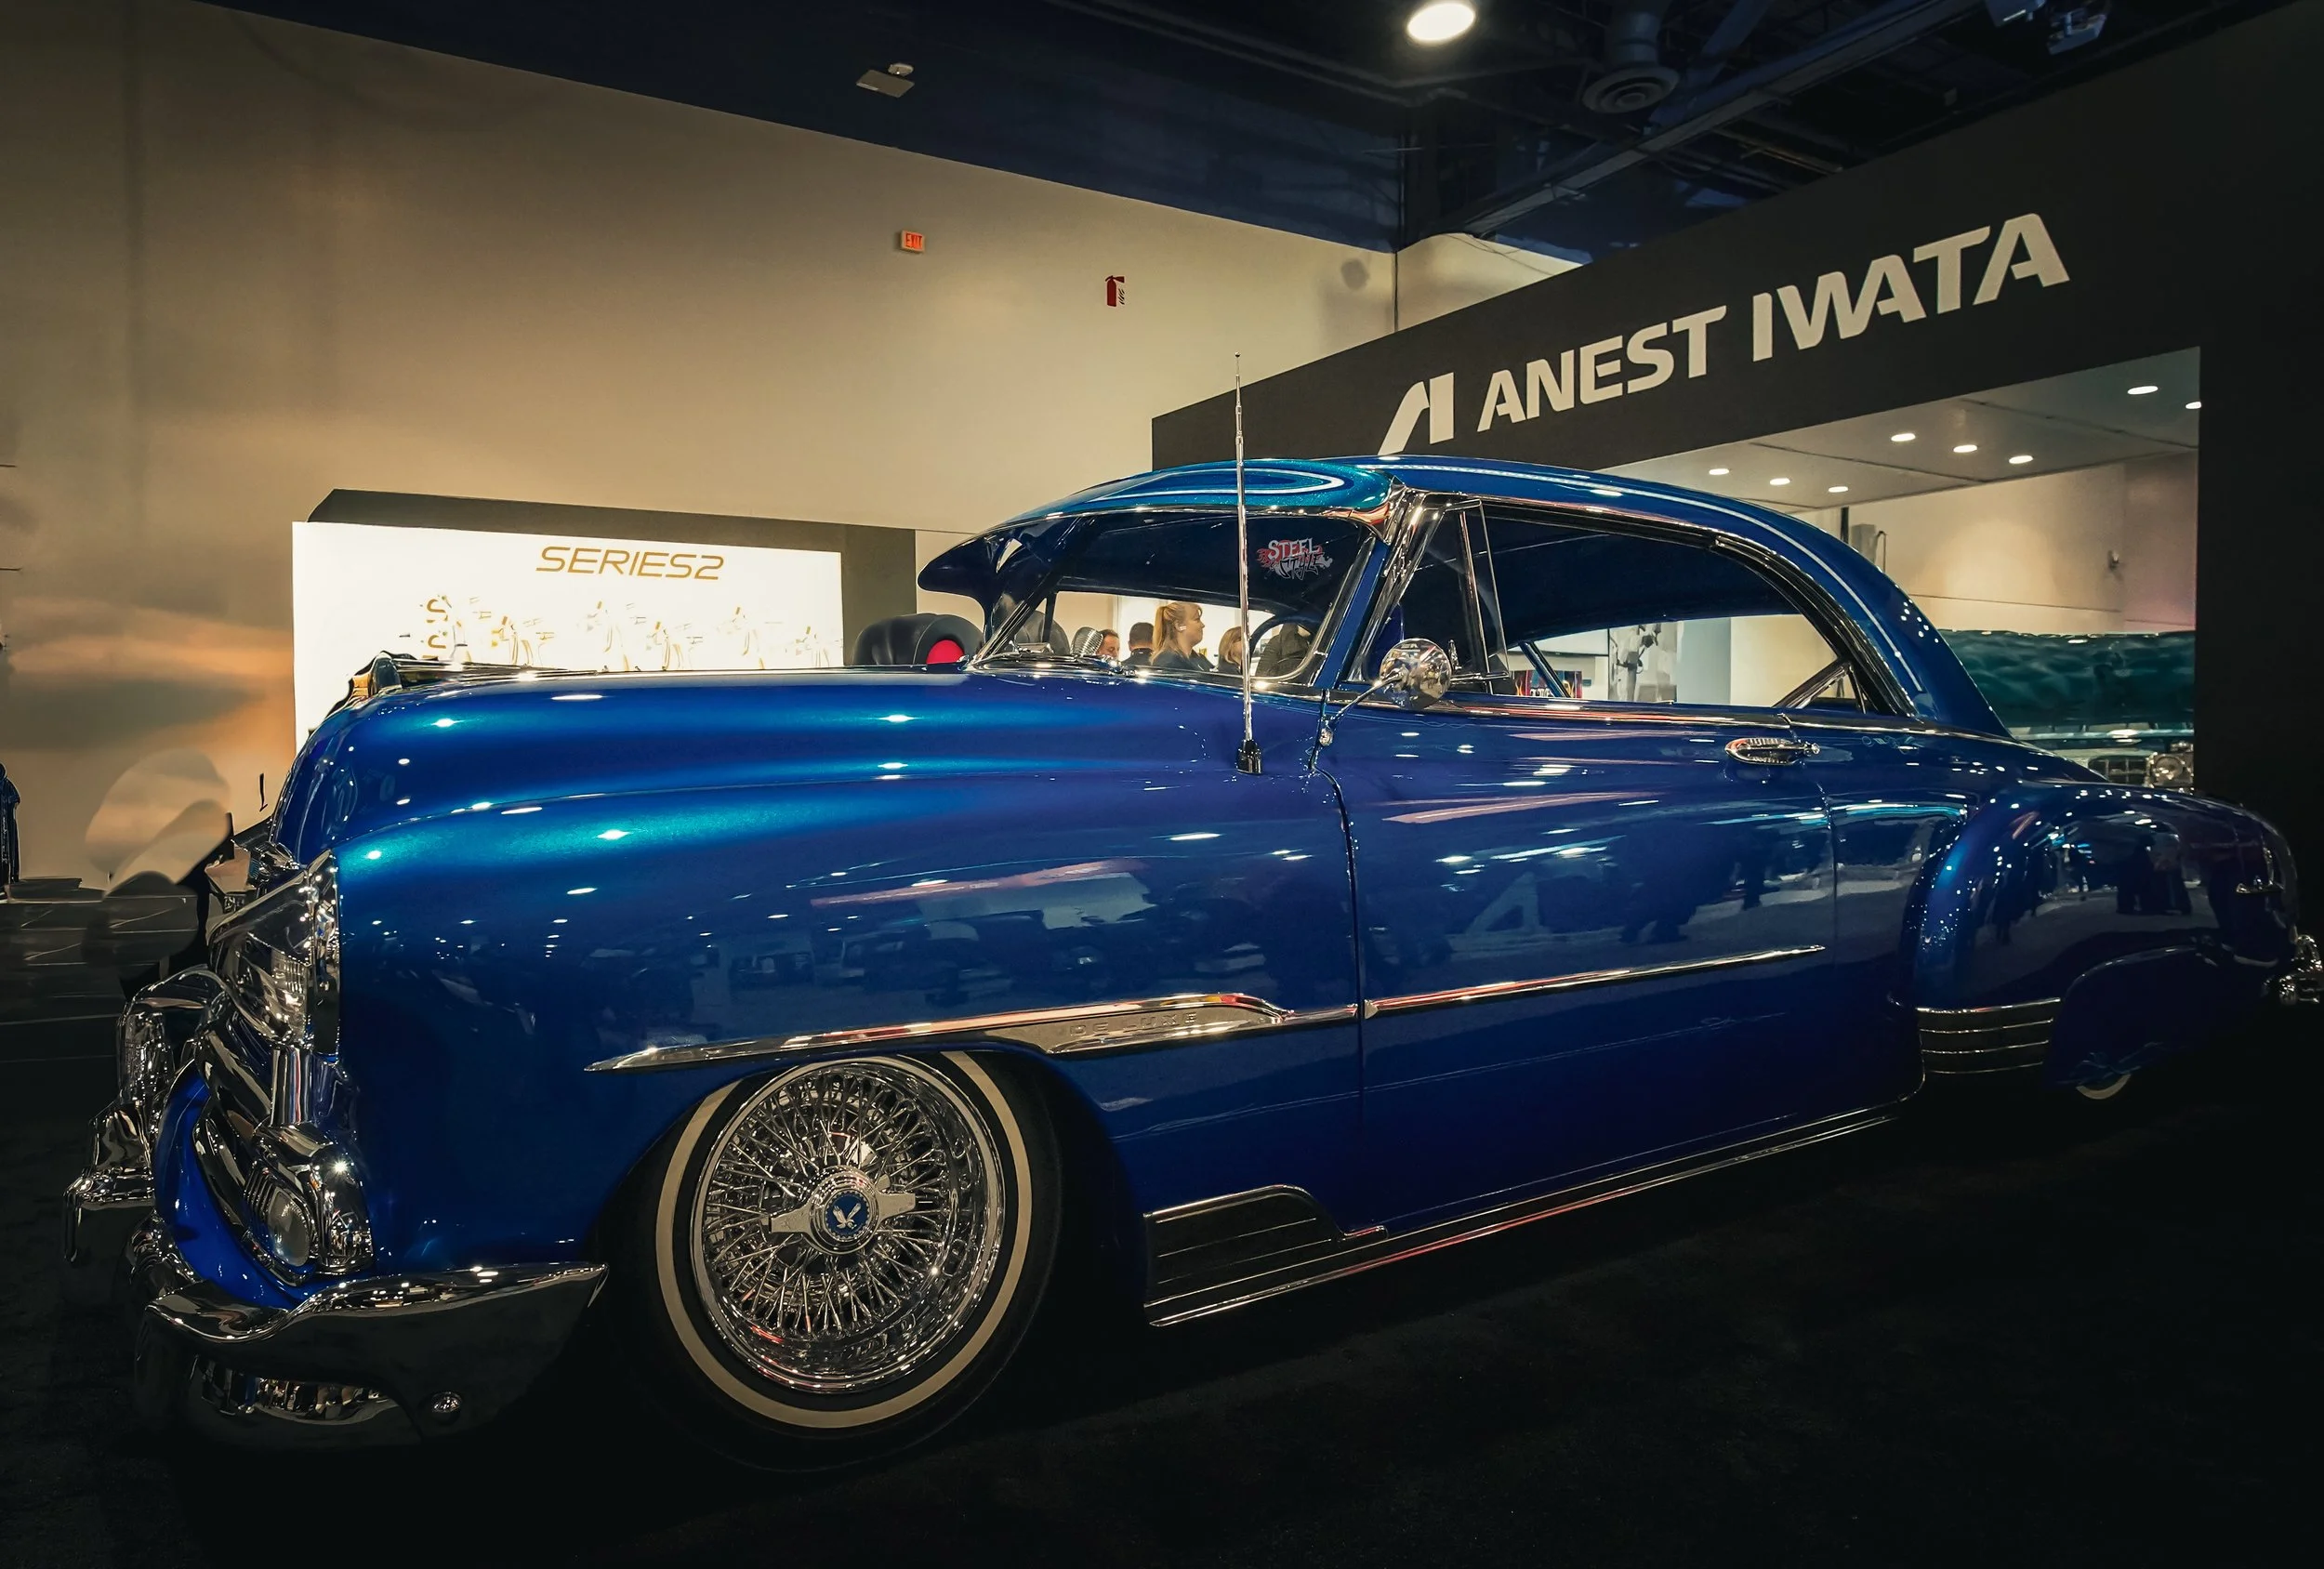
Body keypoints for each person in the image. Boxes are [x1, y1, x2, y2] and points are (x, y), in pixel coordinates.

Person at [1151, 601, 1211, 673]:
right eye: (1197, 620)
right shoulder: (1169, 663)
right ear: (1179, 626)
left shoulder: (1199, 659)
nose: (1202, 625)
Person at [0, 761, 20, 889]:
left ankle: (10, 875)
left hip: (5, 823)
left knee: (7, 849)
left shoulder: (7, 785)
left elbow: (15, 800)